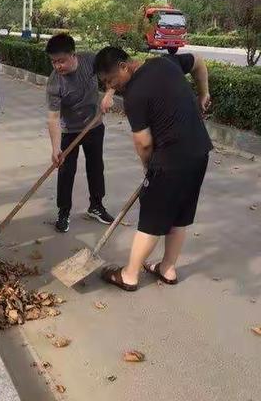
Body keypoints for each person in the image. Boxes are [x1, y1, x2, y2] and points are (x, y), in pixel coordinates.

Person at [94, 47, 212, 291]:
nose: (111, 86)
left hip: (170, 159)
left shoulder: (134, 95)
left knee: (152, 218)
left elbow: (144, 143)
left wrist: (149, 169)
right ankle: (167, 268)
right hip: (199, 151)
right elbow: (199, 62)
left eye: (110, 80)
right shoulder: (166, 62)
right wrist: (204, 94)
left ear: (124, 66)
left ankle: (129, 275)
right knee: (180, 214)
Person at [45, 33, 115, 233]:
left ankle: (96, 206)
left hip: (94, 125)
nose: (57, 66)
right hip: (69, 131)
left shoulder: (91, 61)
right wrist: (56, 148)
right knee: (66, 172)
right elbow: (53, 117)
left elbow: (112, 74)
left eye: (61, 61)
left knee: (96, 167)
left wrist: (109, 93)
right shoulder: (54, 83)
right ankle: (64, 211)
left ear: (73, 55)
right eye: (53, 62)